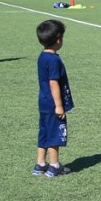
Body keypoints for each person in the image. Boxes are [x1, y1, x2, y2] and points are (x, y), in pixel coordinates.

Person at [33, 19, 74, 177]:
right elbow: (53, 83)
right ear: (58, 39)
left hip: (43, 101)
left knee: (44, 132)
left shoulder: (42, 56)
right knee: (54, 133)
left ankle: (40, 163)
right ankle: (54, 165)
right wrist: (59, 105)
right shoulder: (54, 60)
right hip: (52, 103)